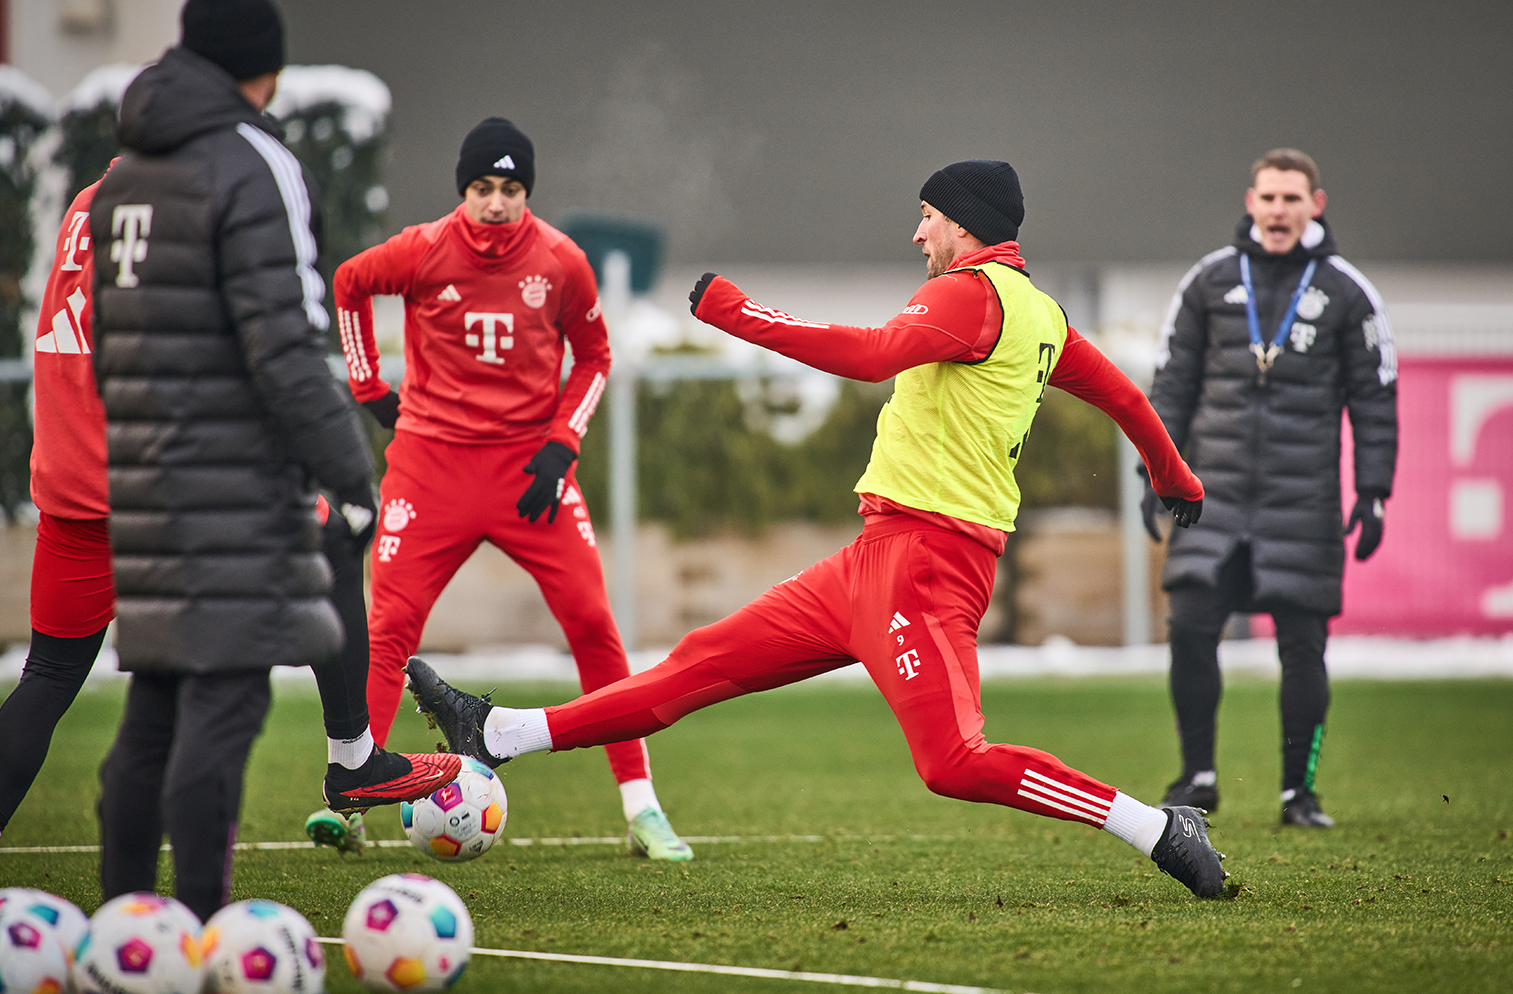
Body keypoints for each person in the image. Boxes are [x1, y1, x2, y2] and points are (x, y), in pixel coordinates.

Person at [407, 159, 1233, 899]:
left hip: (929, 567)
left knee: (953, 762)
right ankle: (502, 731)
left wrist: (738, 315)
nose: (918, 233)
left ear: (966, 222)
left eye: (927, 217)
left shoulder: (970, 293)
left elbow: (874, 355)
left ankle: (1159, 829)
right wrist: (1173, 475)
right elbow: (1124, 394)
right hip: (874, 559)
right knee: (696, 665)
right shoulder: (1040, 311)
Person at [0, 142, 450, 912]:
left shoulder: (84, 209)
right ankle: (351, 758)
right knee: (322, 558)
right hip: (152, 485)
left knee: (48, 675)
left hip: (72, 484)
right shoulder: (161, 221)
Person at [84, 0, 457, 921]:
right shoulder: (252, 162)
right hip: (236, 484)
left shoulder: (124, 173)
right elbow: (286, 343)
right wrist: (350, 470)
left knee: (156, 706)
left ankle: (125, 934)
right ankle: (201, 930)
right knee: (226, 702)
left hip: (143, 472)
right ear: (263, 70)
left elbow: (110, 342)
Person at [332, 117, 692, 861]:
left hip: (529, 471)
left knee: (594, 622)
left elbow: (594, 358)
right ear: (463, 189)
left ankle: (641, 808)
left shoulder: (561, 261)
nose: (496, 203)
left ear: (527, 191)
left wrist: (562, 444)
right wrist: (368, 388)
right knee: (389, 626)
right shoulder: (424, 249)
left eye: (511, 189)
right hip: (430, 466)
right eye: (482, 188)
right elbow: (348, 285)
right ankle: (350, 800)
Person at [1143, 148, 1397, 828]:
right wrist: (1153, 473)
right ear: (1249, 202)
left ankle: (1298, 792)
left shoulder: (1346, 291)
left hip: (1301, 501)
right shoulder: (1209, 281)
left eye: (1292, 199)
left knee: (1302, 647)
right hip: (1211, 497)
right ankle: (1197, 776)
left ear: (1316, 205)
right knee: (1191, 630)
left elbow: (1376, 397)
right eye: (1268, 198)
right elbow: (1172, 385)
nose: (1278, 211)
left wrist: (1373, 490)